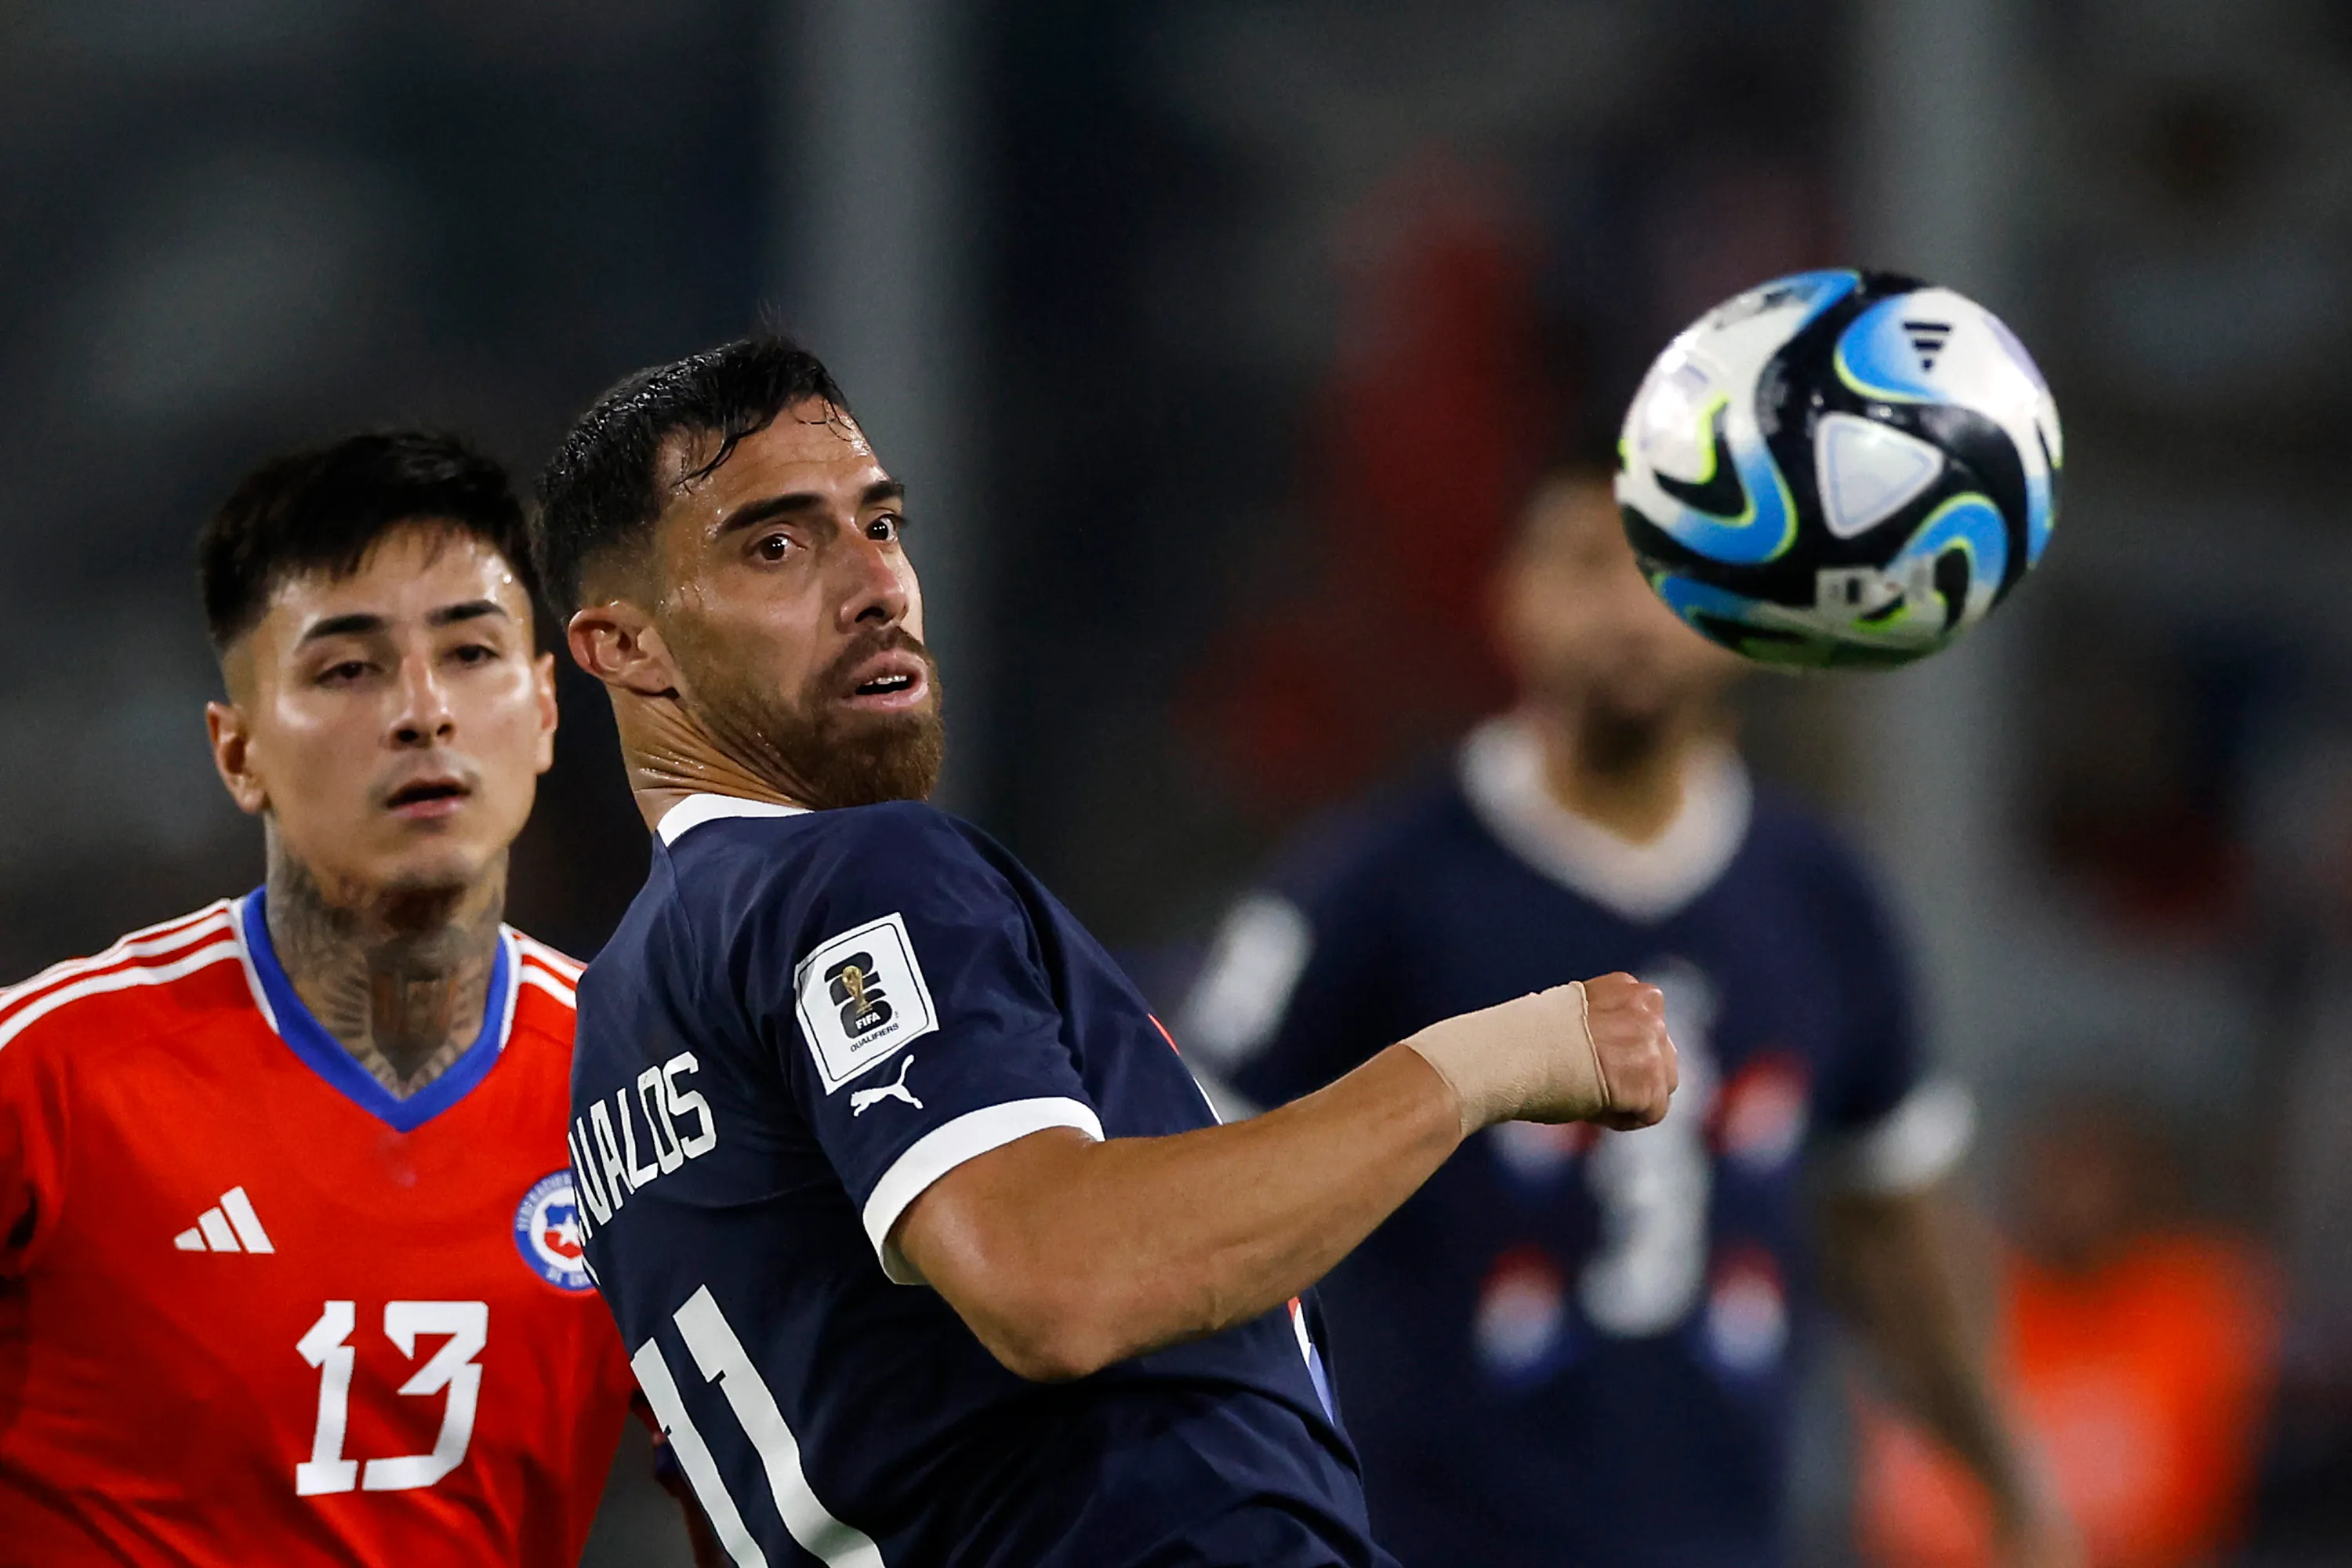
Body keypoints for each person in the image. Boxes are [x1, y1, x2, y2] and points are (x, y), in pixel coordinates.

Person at [531, 336, 1678, 1568]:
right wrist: (1483, 1064)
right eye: (775, 545)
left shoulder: (618, 1023)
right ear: (624, 646)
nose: (876, 585)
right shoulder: (852, 872)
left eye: (881, 523)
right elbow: (1049, 1276)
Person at [1178, 467, 2072, 1567]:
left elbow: (1894, 1223)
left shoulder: (1825, 900)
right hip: (1422, 1539)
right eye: (1588, 563)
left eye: (1673, 569)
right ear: (1509, 596)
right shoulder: (1371, 892)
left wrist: (2004, 1473)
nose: (1627, 611)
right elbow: (1191, 1193)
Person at [0, 433, 641, 1565]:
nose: (422, 713)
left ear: (545, 709)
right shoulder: (48, 1079)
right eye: (349, 669)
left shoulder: (641, 1090)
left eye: (472, 654)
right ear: (237, 750)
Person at [1857, 1094, 2278, 1568]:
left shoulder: (2191, 1299)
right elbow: (1908, 1511)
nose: (2075, 1196)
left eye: (2096, 1172)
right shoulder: (1972, 1294)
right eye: (2060, 1169)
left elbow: (2183, 1506)